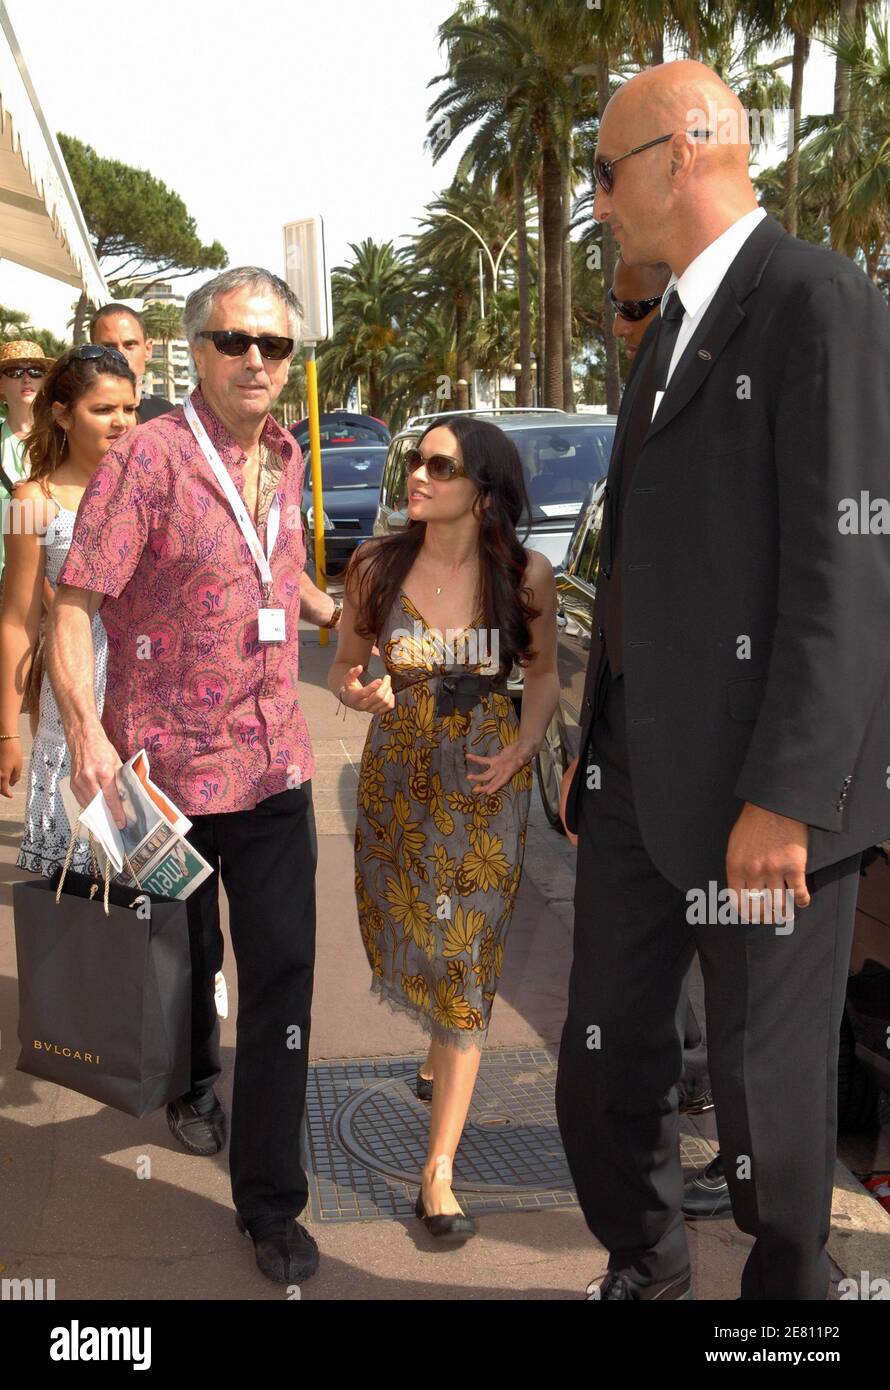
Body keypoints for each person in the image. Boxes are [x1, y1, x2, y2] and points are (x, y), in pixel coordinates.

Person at [555, 59, 890, 1302]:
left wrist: (789, 794)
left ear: (685, 151)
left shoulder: (816, 300)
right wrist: (596, 753)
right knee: (600, 1068)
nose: (593, 201)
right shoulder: (668, 328)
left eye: (603, 172)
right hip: (636, 787)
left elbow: (848, 569)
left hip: (763, 803)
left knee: (771, 1120)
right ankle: (643, 1262)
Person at [46, 266, 342, 1288]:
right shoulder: (148, 461)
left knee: (282, 981)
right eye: (234, 342)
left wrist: (333, 614)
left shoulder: (288, 454)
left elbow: (272, 568)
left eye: (274, 346)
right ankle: (187, 1080)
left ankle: (269, 1202)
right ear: (194, 350)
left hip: (274, 770)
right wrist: (84, 732)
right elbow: (75, 603)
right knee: (175, 966)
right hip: (158, 779)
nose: (255, 360)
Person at [330, 416, 558, 1240]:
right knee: (408, 935)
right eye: (412, 463)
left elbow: (540, 677)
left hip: (484, 786)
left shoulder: (524, 576)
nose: (415, 477)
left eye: (438, 465)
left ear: (484, 488)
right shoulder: (376, 567)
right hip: (397, 787)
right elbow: (343, 669)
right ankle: (437, 1048)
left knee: (465, 962)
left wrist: (526, 748)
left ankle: (437, 1172)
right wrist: (359, 693)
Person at [0, 346, 137, 873]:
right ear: (61, 412)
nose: (121, 421)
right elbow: (16, 617)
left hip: (150, 699)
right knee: (78, 889)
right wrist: (8, 732)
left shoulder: (150, 488)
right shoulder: (29, 501)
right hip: (72, 697)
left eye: (128, 408)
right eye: (103, 410)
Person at [0, 341, 55, 582]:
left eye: (35, 371)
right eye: (14, 372)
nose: (26, 379)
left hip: (53, 577)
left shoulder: (63, 441)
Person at [89, 304, 173, 421]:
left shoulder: (167, 416)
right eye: (109, 347)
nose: (120, 355)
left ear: (147, 349)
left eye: (129, 345)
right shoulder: (76, 413)